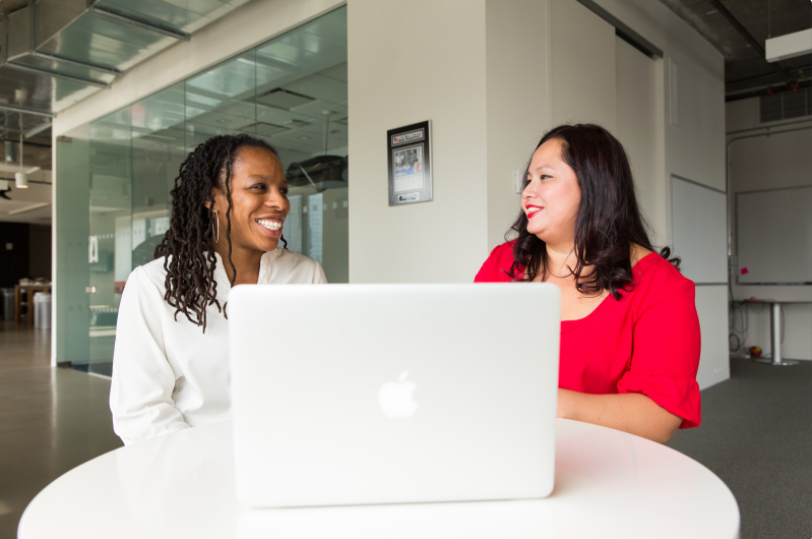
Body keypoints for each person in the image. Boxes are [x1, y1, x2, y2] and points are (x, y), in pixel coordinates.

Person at [475, 124, 700, 443]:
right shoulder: (502, 262)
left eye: (545, 177)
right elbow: (471, 356)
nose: (527, 192)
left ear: (595, 185)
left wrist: (551, 406)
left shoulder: (661, 286)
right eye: (528, 180)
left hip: (606, 461)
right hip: (499, 443)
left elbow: (658, 417)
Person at [110, 134, 326, 445]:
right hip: (193, 468)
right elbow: (140, 411)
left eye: (283, 190)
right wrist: (208, 464)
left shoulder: (305, 274)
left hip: (290, 455)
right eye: (258, 187)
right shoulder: (154, 284)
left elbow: (319, 379)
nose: (280, 202)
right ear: (212, 198)